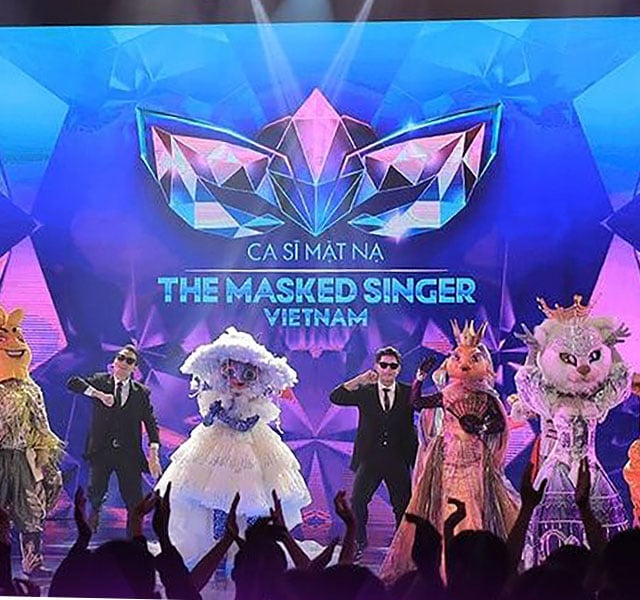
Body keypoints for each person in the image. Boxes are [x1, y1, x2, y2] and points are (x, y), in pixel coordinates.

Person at [155, 327, 311, 568]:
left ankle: (255, 547)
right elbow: (207, 421)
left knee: (257, 500)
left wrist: (223, 416)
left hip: (252, 450)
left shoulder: (257, 403)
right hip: (217, 449)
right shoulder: (216, 397)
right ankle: (219, 548)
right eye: (230, 372)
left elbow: (246, 424)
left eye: (247, 374)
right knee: (217, 498)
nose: (237, 379)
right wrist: (214, 413)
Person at [379, 320, 519, 583]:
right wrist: (419, 378)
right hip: (448, 457)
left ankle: (472, 563)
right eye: (458, 358)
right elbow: (417, 403)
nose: (464, 365)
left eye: (473, 359)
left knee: (472, 504)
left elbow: (499, 424)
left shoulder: (486, 396)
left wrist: (480, 426)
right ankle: (448, 564)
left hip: (474, 458)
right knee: (448, 505)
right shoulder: (447, 393)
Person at [515, 295, 630, 566]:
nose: (582, 366)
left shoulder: (595, 401)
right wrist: (532, 352)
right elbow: (529, 384)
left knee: (596, 522)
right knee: (554, 524)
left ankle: (598, 571)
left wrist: (612, 347)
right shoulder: (554, 401)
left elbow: (619, 383)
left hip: (590, 465)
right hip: (559, 466)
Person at [329, 346, 418, 560]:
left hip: (398, 458)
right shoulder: (366, 391)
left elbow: (426, 407)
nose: (388, 370)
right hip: (369, 458)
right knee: (358, 501)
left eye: (392, 366)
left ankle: (401, 547)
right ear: (376, 366)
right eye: (384, 365)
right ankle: (359, 542)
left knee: (402, 505)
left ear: (399, 369)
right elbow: (336, 396)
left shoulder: (409, 392)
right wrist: (360, 379)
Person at [66, 344, 162, 536]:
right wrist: (99, 395)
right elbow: (73, 383)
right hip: (101, 450)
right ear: (114, 361)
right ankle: (93, 517)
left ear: (134, 368)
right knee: (96, 490)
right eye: (121, 357)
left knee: (133, 497)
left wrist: (154, 455)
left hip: (128, 453)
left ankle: (134, 534)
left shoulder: (141, 392)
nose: (123, 362)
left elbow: (151, 423)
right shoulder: (100, 381)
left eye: (129, 361)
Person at [0, 305, 63, 578]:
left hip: (22, 457)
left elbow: (40, 423)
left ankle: (33, 563)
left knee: (31, 510)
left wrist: (44, 456)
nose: (15, 344)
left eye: (20, 337)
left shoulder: (30, 388)